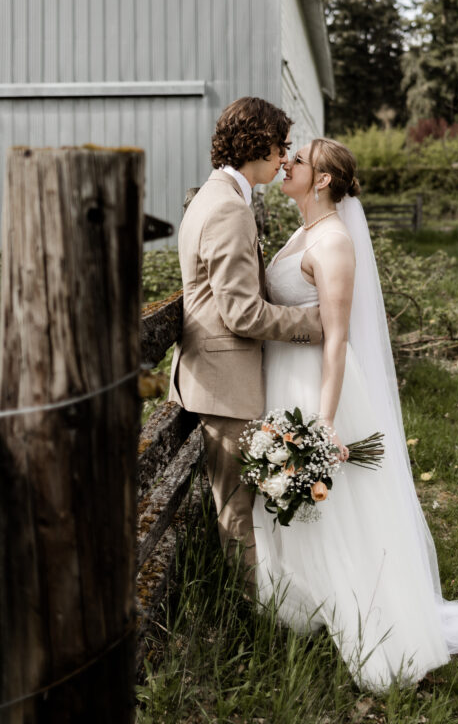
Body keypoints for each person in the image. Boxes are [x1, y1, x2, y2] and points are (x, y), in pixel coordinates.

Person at [253, 137, 458, 691]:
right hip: (283, 376)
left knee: (340, 513)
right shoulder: (303, 231)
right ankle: (304, 607)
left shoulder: (333, 242)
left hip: (317, 384)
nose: (284, 164)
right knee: (299, 506)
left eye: (298, 161)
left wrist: (324, 420)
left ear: (322, 180)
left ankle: (371, 627)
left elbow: (337, 340)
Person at [168, 97, 323, 580]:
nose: (284, 160)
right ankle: (252, 621)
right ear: (258, 144)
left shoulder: (216, 197)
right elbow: (241, 312)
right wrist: (314, 325)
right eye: (282, 148)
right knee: (238, 513)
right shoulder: (227, 208)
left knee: (240, 506)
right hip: (224, 380)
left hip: (217, 375)